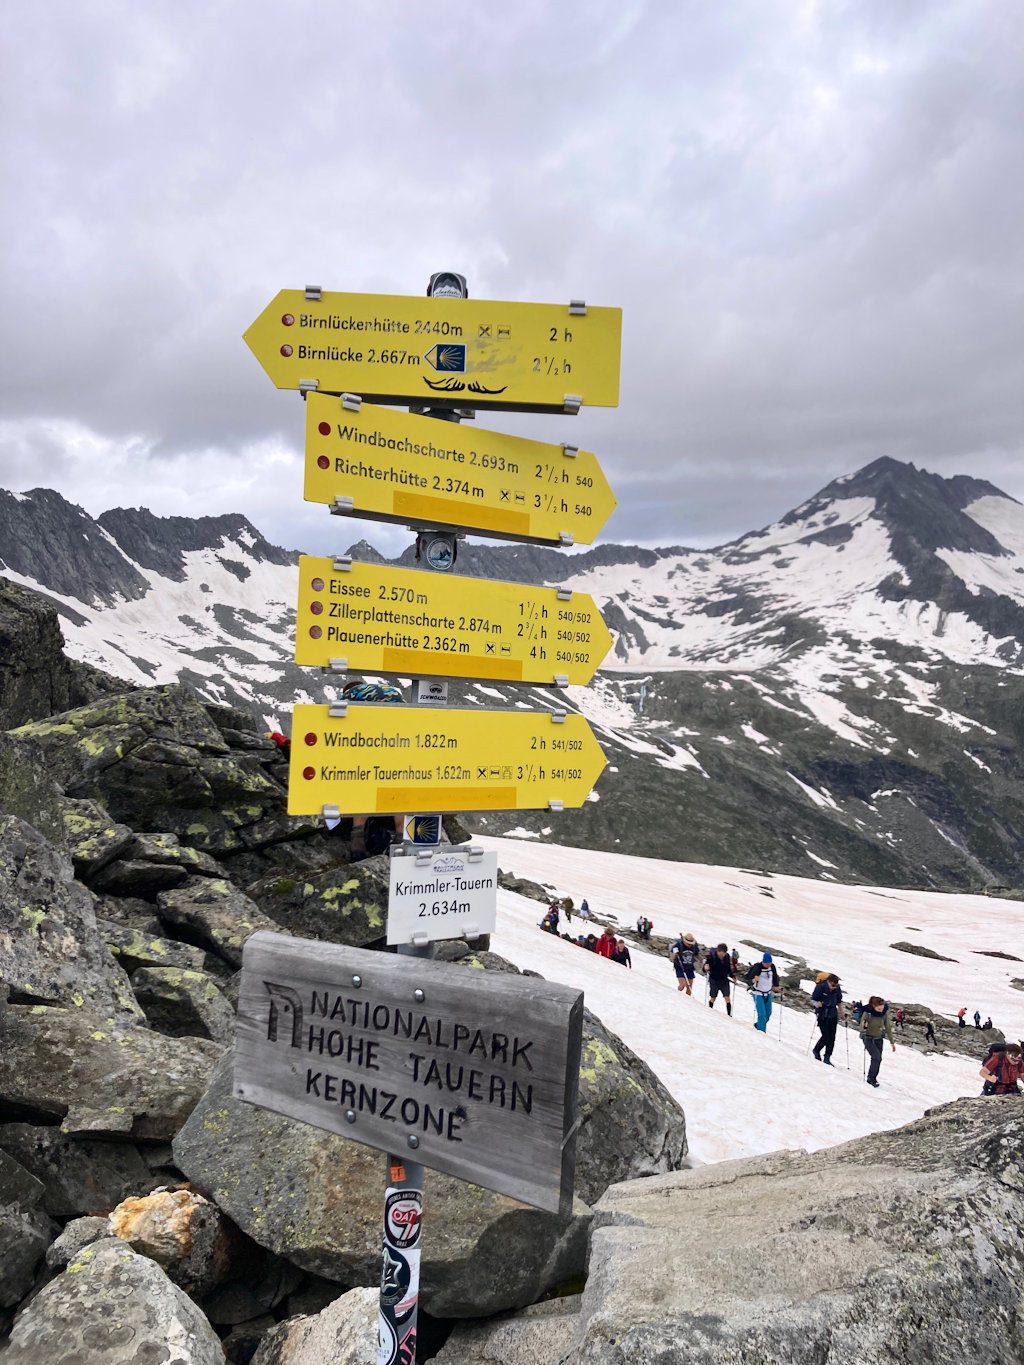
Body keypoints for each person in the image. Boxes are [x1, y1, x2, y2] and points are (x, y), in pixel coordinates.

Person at [860, 996, 896, 1087]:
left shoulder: (884, 1014)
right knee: (876, 1057)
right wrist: (863, 1033)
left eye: (882, 1008)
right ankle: (871, 1078)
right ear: (873, 1006)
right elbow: (862, 1024)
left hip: (878, 1039)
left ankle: (873, 1078)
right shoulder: (868, 1013)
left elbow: (887, 1027)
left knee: (878, 1059)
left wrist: (892, 1042)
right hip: (868, 1038)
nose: (881, 1010)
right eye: (879, 1008)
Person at [811, 973, 844, 1064]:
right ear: (828, 982)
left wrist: (842, 1014)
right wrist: (817, 1004)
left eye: (836, 985)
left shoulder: (837, 989)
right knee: (826, 1036)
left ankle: (827, 1057)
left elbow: (839, 1002)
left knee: (832, 1037)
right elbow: (813, 999)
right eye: (833, 985)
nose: (834, 987)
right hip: (822, 1013)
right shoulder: (820, 987)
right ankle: (816, 1050)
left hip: (833, 1013)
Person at [746, 953, 780, 1033]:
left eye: (769, 963)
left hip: (768, 993)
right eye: (767, 963)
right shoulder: (757, 967)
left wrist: (777, 987)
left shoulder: (772, 967)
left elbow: (775, 977)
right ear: (763, 962)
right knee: (762, 1015)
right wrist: (754, 980)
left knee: (768, 1014)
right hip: (758, 994)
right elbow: (748, 979)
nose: (768, 965)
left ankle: (758, 1025)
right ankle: (761, 1033)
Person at [704, 943, 735, 1016]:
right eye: (721, 954)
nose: (722, 955)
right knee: (713, 997)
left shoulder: (727, 957)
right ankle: (710, 1010)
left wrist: (732, 976)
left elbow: (728, 969)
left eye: (724, 954)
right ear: (718, 951)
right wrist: (705, 968)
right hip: (714, 980)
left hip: (724, 980)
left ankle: (729, 1015)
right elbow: (705, 968)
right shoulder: (711, 957)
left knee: (727, 998)